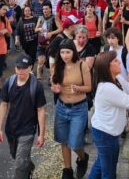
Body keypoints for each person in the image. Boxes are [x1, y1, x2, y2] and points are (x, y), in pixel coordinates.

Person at [89, 50, 129, 179]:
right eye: (115, 61)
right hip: (105, 133)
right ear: (108, 67)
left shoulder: (117, 79)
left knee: (101, 164)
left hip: (110, 132)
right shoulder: (107, 88)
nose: (120, 62)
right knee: (109, 171)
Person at [0, 54, 47, 179]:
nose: (21, 71)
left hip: (27, 130)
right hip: (11, 128)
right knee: (17, 156)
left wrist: (41, 134)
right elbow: (3, 105)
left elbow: (40, 110)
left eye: (24, 68)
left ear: (30, 68)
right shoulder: (9, 82)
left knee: (19, 164)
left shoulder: (36, 86)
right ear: (15, 68)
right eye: (18, 68)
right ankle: (29, 167)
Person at [51, 39, 91, 179]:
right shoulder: (58, 66)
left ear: (73, 51)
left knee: (75, 142)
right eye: (62, 52)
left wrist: (78, 88)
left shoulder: (82, 65)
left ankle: (82, 157)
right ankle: (67, 170)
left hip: (78, 108)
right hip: (62, 107)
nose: (65, 55)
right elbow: (54, 83)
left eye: (67, 52)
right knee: (63, 140)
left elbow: (89, 87)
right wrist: (55, 88)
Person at [36, 4, 61, 81]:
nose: (45, 11)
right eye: (43, 9)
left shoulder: (55, 17)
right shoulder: (40, 18)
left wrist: (51, 33)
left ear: (50, 9)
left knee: (52, 64)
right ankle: (38, 79)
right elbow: (35, 29)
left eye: (46, 9)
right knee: (40, 62)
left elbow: (60, 29)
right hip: (41, 44)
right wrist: (39, 29)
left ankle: (52, 77)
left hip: (51, 45)